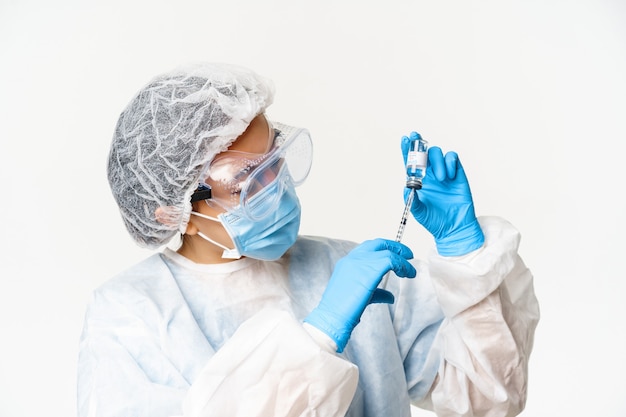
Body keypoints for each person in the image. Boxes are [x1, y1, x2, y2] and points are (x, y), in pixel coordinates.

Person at [77, 62, 539, 417]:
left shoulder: (349, 269)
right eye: (247, 179)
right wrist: (317, 338)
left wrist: (465, 252)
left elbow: (490, 396)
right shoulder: (128, 318)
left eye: (275, 158)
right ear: (174, 209)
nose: (276, 185)